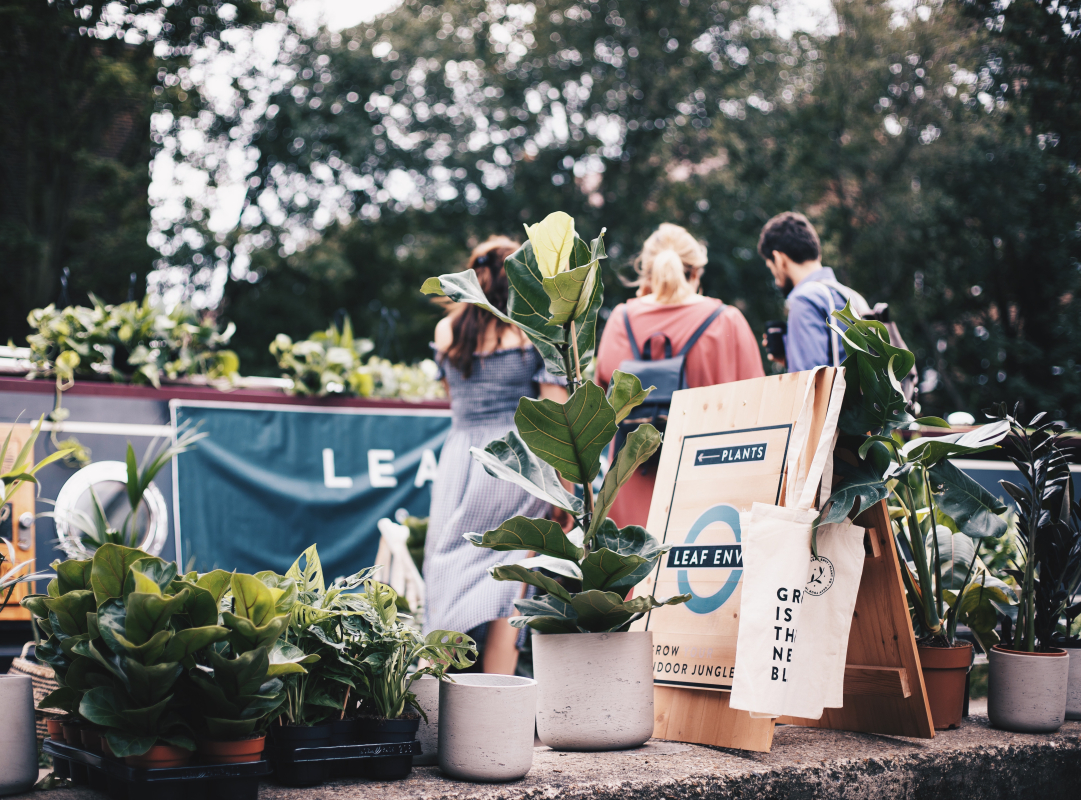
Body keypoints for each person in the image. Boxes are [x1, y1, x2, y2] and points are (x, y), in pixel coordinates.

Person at [424, 235, 567, 674]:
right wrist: (568, 488)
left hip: (460, 459)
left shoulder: (447, 329)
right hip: (517, 461)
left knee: (449, 563)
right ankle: (496, 690)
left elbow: (453, 393)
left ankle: (438, 684)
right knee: (512, 569)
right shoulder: (534, 328)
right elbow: (555, 410)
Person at [594, 223, 764, 529]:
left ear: (646, 273)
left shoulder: (620, 321)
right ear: (696, 272)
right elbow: (761, 415)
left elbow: (596, 416)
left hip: (627, 499)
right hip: (709, 507)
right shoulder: (727, 323)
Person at [757, 211, 849, 371]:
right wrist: (790, 358)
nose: (776, 279)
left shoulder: (804, 300)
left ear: (778, 259)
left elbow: (809, 385)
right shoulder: (849, 296)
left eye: (770, 267)